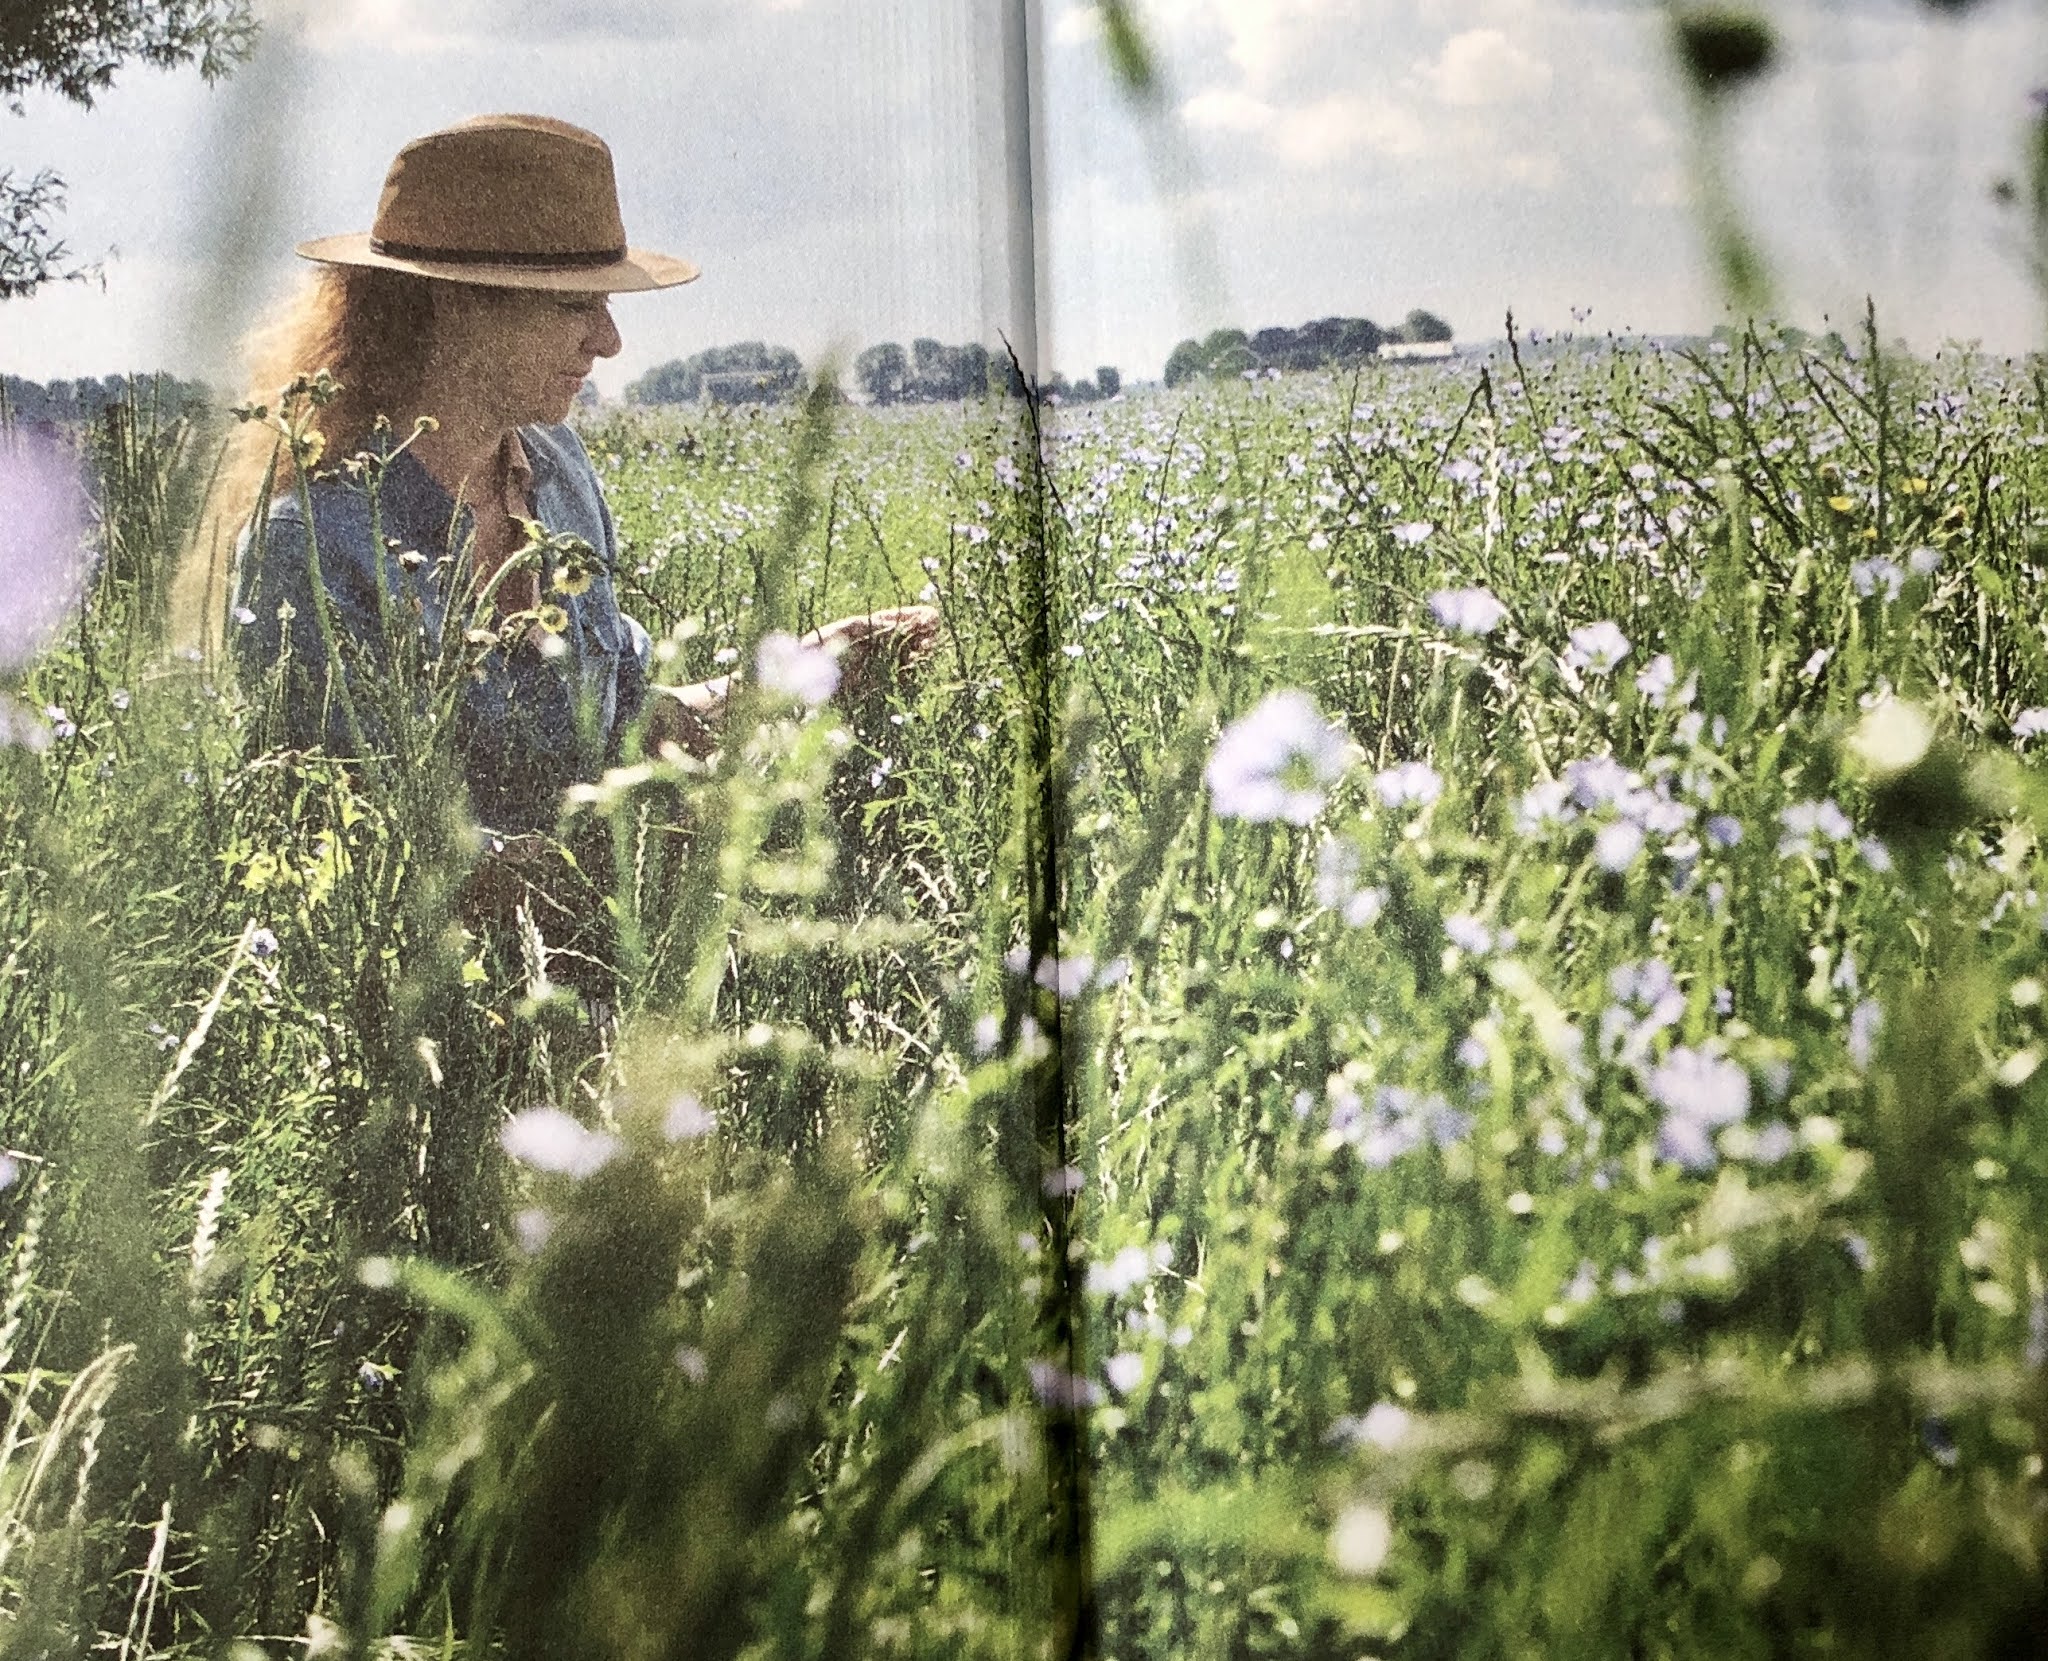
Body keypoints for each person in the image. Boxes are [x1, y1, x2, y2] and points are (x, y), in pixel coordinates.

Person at [217, 112, 937, 863]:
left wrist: (789, 682)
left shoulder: (557, 470)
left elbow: (623, 723)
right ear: (456, 302)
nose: (609, 339)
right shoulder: (309, 547)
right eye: (573, 304)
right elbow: (369, 847)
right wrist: (633, 867)